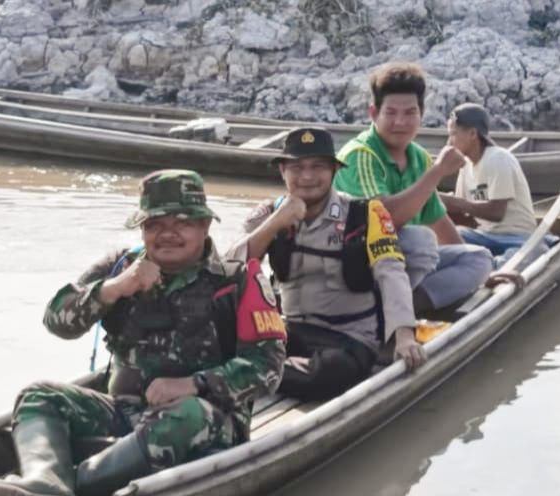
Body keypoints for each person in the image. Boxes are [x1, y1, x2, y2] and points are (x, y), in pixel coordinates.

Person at [0, 169, 286, 496]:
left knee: (184, 416)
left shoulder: (238, 278)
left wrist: (194, 384)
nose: (167, 233)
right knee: (38, 395)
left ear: (204, 226)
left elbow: (268, 368)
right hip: (123, 413)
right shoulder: (122, 265)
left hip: (206, 421)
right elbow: (56, 320)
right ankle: (46, 486)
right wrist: (114, 288)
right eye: (154, 224)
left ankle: (77, 487)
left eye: (181, 222)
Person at [231, 128, 424, 402]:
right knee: (222, 343)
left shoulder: (366, 214)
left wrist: (405, 335)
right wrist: (275, 223)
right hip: (290, 329)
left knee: (329, 374)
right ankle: (270, 369)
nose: (307, 177)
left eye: (318, 167)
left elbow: (391, 274)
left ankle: (258, 372)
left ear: (334, 170)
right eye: (297, 168)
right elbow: (230, 269)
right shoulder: (268, 215)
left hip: (348, 338)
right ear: (282, 171)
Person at [333, 62, 495, 316]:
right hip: (359, 261)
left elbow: (437, 219)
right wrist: (439, 172)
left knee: (479, 258)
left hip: (404, 261)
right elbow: (383, 221)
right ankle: (386, 312)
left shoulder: (419, 157)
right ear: (373, 113)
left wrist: (485, 277)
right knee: (420, 239)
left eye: (410, 113)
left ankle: (404, 307)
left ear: (422, 113)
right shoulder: (360, 155)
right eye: (391, 113)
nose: (400, 122)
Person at [439, 103, 539, 263]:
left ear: (472, 133)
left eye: (453, 134)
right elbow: (464, 215)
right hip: (484, 235)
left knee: (515, 260)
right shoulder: (465, 166)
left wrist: (451, 202)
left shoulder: (498, 159)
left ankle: (493, 269)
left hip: (516, 237)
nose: (449, 143)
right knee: (440, 241)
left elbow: (496, 213)